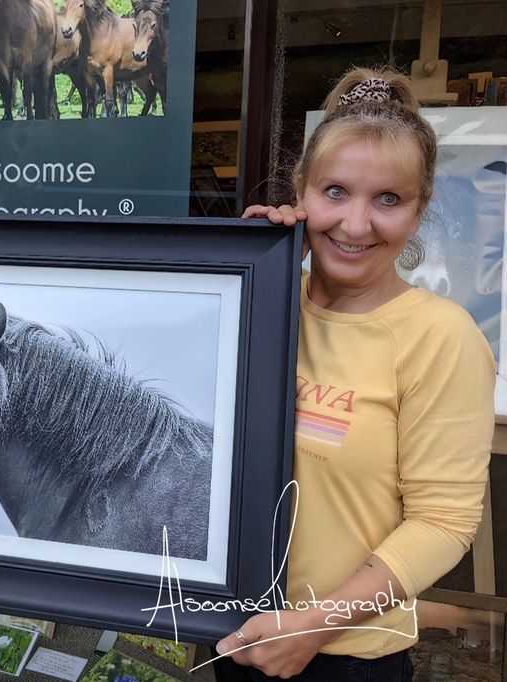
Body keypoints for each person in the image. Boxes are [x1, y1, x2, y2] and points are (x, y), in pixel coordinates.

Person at [211, 67, 494, 680]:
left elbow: (442, 523)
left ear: (419, 214)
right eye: (335, 192)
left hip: (347, 656)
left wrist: (312, 628)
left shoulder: (440, 339)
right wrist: (243, 272)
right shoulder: (261, 305)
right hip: (233, 628)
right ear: (300, 191)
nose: (356, 223)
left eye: (388, 199)